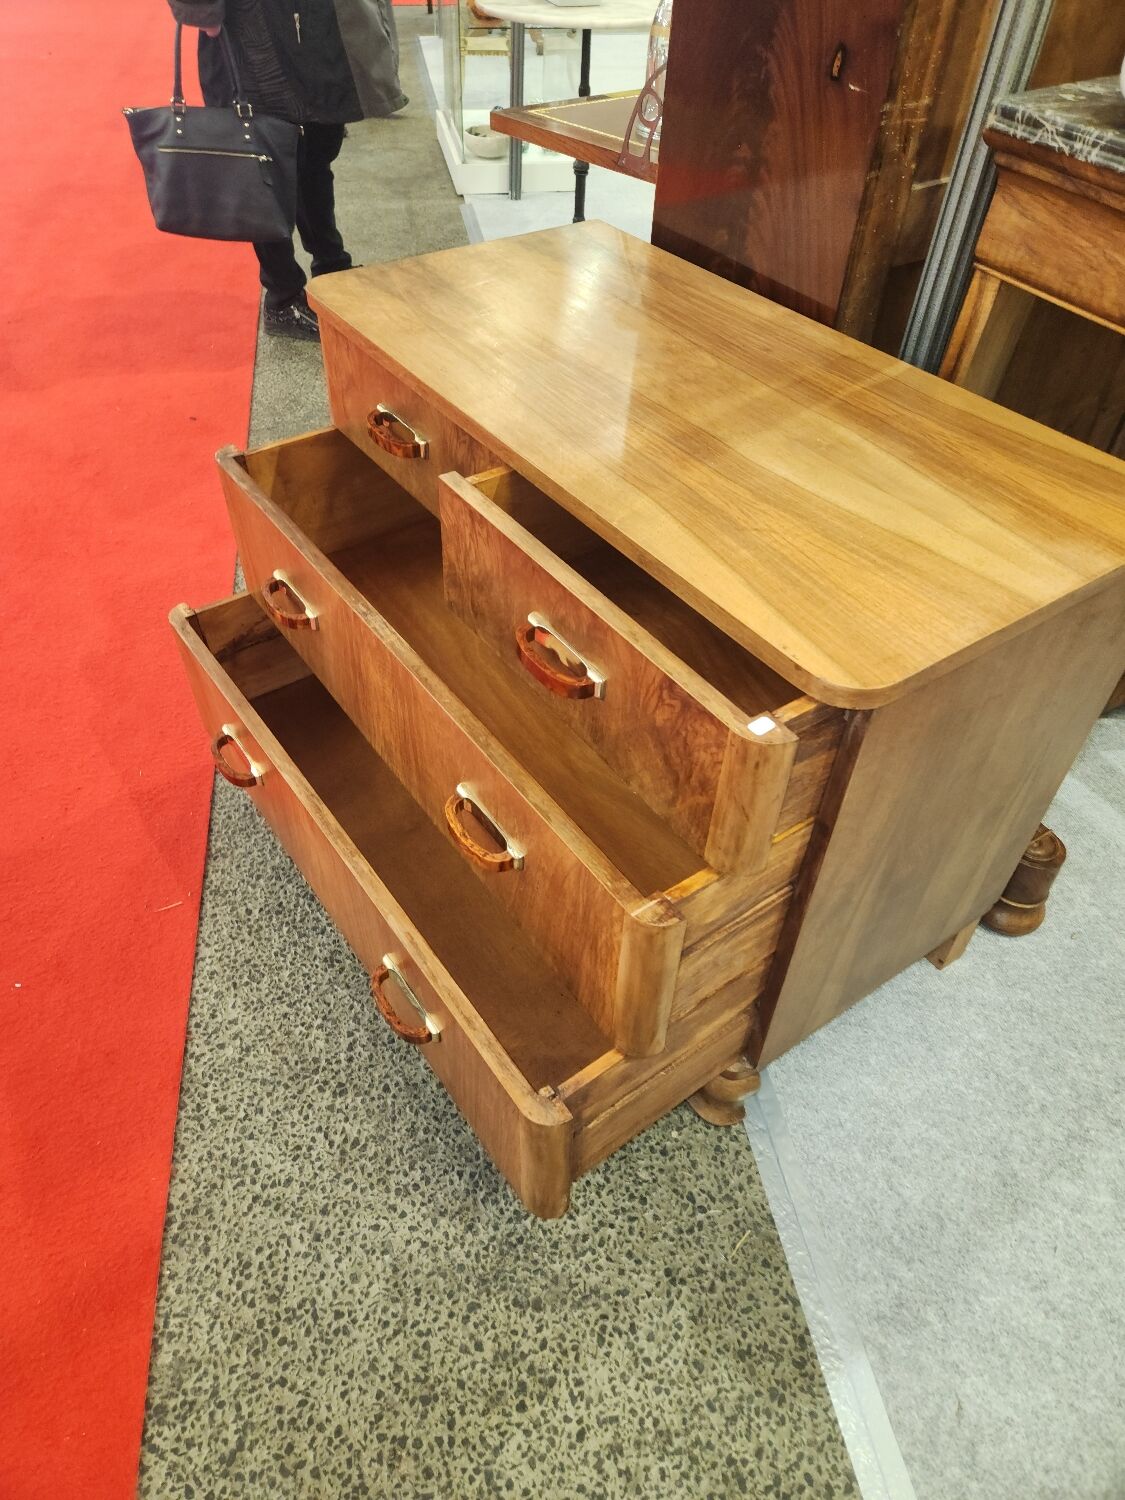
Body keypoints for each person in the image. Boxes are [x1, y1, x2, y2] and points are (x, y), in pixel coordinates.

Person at [167, 0, 407, 340]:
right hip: (253, 30)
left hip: (318, 25)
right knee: (263, 163)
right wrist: (204, 14)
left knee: (317, 148)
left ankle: (332, 266)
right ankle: (283, 295)